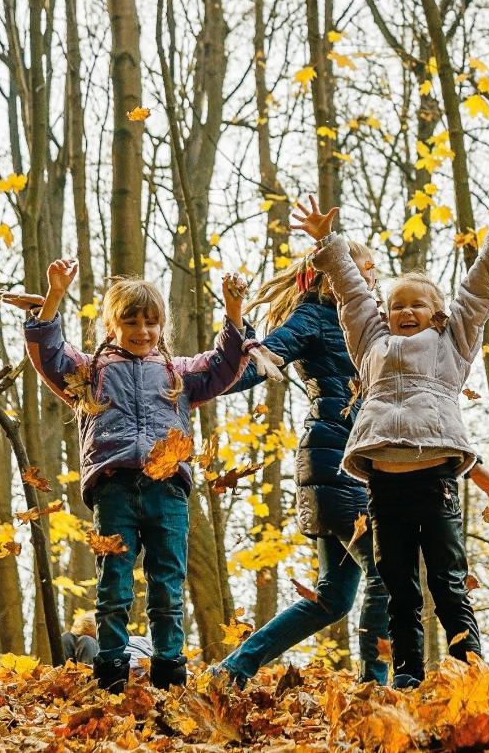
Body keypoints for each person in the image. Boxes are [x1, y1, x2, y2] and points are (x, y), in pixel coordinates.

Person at [295, 194, 489, 688]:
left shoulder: (454, 342)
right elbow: (353, 295)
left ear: (437, 313)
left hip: (436, 483)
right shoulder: (371, 344)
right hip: (384, 487)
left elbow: (478, 289)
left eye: (417, 305)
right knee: (398, 587)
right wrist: (327, 243)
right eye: (397, 305)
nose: (406, 311)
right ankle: (407, 675)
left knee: (447, 585)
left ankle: (472, 674)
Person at [11, 259, 248, 692]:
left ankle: (169, 671)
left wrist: (233, 310)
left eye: (151, 322)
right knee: (114, 585)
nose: (142, 331)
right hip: (114, 488)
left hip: (168, 490)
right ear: (111, 325)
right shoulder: (92, 372)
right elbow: (49, 355)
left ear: (163, 326)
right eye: (131, 321)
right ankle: (111, 671)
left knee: (167, 584)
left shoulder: (177, 373)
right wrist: (55, 296)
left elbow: (222, 365)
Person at [212, 245, 392, 686]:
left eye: (371, 270)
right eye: (360, 269)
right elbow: (259, 363)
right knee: (386, 573)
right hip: (336, 461)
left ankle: (235, 667)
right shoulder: (314, 318)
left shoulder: (367, 327)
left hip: (355, 463)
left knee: (332, 599)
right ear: (328, 275)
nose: (370, 278)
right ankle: (377, 686)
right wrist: (218, 367)